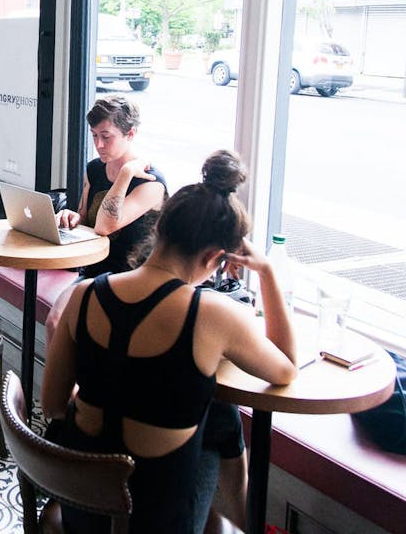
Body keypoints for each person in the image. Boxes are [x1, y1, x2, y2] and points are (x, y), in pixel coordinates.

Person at [41, 150, 298, 533]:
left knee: (209, 410)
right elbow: (286, 368)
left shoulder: (85, 296)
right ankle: (248, 522)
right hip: (154, 521)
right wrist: (267, 273)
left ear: (159, 228)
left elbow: (52, 404)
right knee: (218, 415)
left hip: (82, 508)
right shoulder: (212, 315)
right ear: (215, 257)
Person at [44, 96, 167, 343]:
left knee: (85, 330)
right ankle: (69, 383)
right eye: (94, 135)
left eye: (106, 136)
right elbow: (88, 219)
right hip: (95, 270)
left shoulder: (151, 183)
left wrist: (126, 173)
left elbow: (105, 226)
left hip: (132, 279)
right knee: (55, 322)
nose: (99, 144)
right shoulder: (95, 169)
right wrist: (72, 216)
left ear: (130, 134)